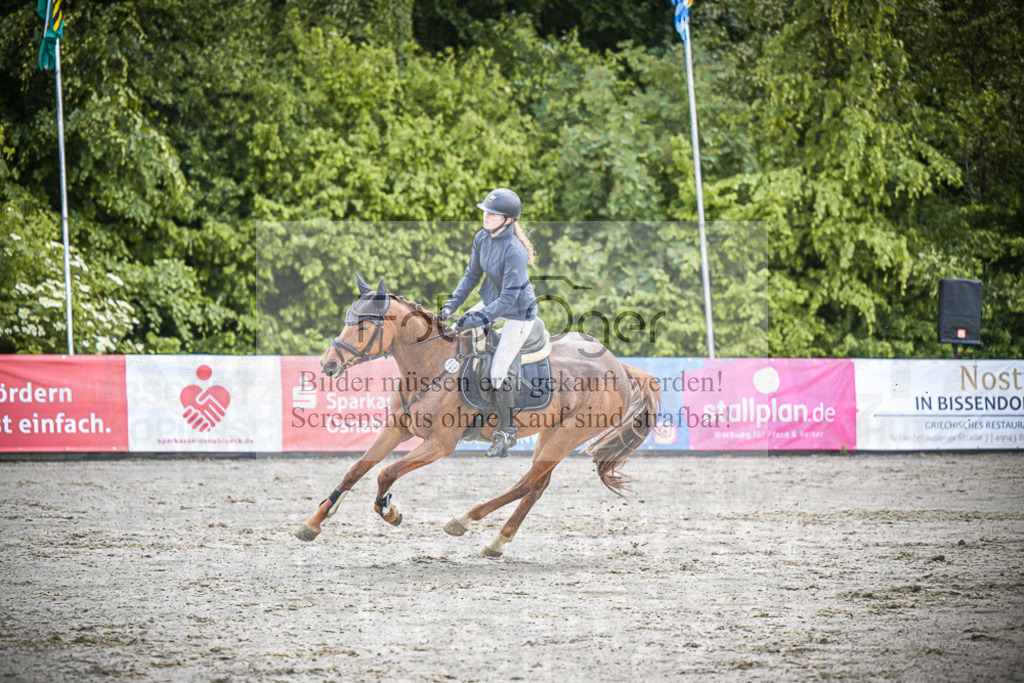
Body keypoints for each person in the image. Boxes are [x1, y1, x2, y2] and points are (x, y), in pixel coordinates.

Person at [440, 188, 538, 458]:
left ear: (508, 220)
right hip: (493, 300)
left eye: (493, 213)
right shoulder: (482, 238)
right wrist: (452, 305)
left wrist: (480, 318)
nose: (486, 216)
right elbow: (471, 276)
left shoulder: (514, 249)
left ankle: (507, 432)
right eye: (485, 211)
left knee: (498, 372)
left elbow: (508, 298)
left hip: (518, 313)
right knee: (457, 333)